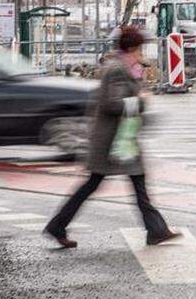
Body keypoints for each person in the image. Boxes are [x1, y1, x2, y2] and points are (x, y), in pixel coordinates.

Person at [44, 25, 181, 249]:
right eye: (139, 50)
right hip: (112, 142)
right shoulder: (117, 70)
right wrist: (141, 101)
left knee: (133, 183)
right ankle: (57, 225)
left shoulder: (124, 67)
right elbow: (111, 103)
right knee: (95, 185)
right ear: (131, 49)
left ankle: (156, 229)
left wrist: (137, 79)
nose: (141, 55)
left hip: (120, 139)